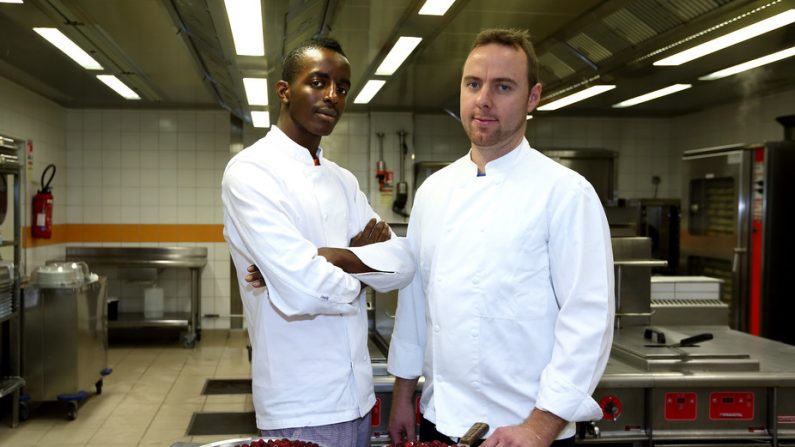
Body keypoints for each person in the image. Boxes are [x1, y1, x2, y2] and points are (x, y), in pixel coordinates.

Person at [386, 28, 615, 447]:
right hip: (440, 419)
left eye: (503, 87)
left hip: (526, 430)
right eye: (473, 84)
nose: (483, 99)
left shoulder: (565, 193)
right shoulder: (434, 191)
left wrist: (540, 428)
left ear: (532, 98)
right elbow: (415, 302)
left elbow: (588, 320)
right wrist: (404, 394)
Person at [222, 37, 415, 447]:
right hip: (299, 405)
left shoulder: (343, 181)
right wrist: (361, 262)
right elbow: (306, 291)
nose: (332, 96)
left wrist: (332, 257)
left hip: (358, 398)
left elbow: (403, 264)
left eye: (342, 88)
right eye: (318, 82)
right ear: (284, 90)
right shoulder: (251, 172)